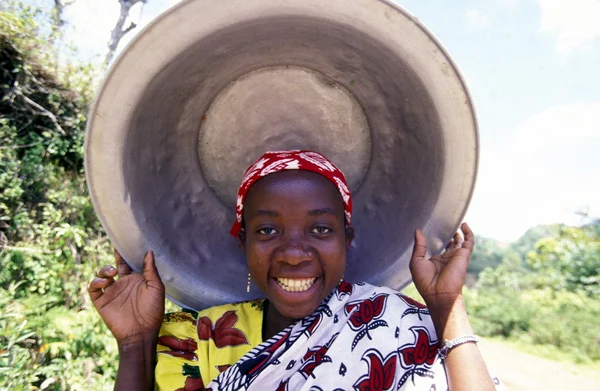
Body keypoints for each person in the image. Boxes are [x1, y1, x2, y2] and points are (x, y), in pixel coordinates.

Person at [89, 150, 497, 390]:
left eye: (320, 229)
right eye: (268, 230)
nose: (294, 253)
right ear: (243, 242)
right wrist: (135, 343)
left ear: (346, 240)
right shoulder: (196, 339)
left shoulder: (396, 322)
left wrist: (447, 308)